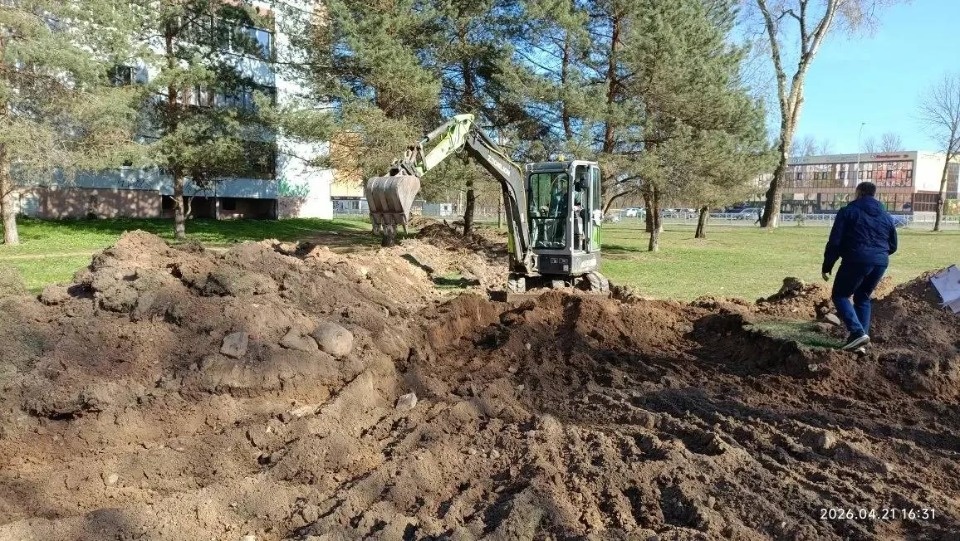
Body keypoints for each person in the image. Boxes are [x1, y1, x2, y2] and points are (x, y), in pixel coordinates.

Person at [821, 181, 898, 351]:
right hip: (880, 262)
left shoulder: (848, 211)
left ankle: (857, 333)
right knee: (862, 297)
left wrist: (827, 265)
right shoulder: (886, 216)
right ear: (874, 194)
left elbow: (835, 241)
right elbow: (893, 245)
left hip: (856, 259)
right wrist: (877, 255)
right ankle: (860, 344)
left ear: (859, 192)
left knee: (840, 295)